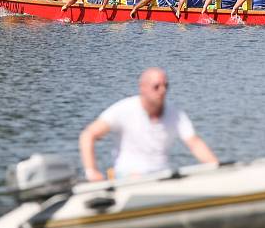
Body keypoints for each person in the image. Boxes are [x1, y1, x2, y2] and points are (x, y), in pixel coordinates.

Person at [79, 68, 218, 180]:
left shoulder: (175, 113)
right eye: (156, 87)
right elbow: (88, 135)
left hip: (162, 175)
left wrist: (216, 166)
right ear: (143, 88)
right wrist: (92, 172)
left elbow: (194, 143)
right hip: (129, 176)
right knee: (136, 178)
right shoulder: (123, 109)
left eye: (165, 86)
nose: (162, 91)